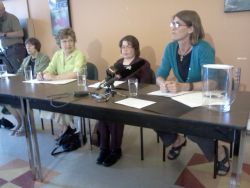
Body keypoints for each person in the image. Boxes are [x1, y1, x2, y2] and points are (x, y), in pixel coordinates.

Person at [156, 10, 230, 175]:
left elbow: (212, 82)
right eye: (172, 24)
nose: (172, 28)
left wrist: (185, 87)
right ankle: (176, 140)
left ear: (190, 29)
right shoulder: (170, 48)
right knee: (153, 115)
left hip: (201, 97)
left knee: (192, 127)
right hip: (180, 96)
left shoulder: (202, 48)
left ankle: (220, 151)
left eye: (177, 24)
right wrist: (162, 83)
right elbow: (160, 73)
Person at [96, 35, 153, 167]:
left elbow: (146, 85)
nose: (125, 49)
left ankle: (115, 150)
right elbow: (108, 80)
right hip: (115, 96)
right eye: (123, 47)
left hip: (133, 98)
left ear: (135, 48)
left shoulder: (143, 64)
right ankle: (104, 149)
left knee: (114, 115)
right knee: (102, 113)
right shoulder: (118, 63)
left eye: (129, 46)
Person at [37, 27, 86, 135]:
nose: (68, 44)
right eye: (64, 41)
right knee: (49, 101)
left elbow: (76, 74)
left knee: (58, 103)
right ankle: (66, 127)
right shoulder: (57, 54)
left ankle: (66, 129)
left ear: (74, 41)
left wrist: (54, 78)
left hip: (75, 89)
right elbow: (50, 69)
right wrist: (42, 74)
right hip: (60, 88)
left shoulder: (79, 54)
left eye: (71, 41)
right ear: (59, 43)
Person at [4, 37, 50, 136]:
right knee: (8, 98)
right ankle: (20, 122)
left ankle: (26, 125)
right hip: (27, 85)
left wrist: (24, 77)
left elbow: (39, 73)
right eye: (26, 46)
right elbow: (19, 72)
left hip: (40, 87)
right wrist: (15, 77)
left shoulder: (44, 57)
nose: (28, 48)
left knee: (20, 98)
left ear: (36, 46)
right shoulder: (26, 59)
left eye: (30, 45)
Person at [0, 1, 27, 73]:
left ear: (3, 9)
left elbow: (20, 33)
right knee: (10, 76)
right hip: (5, 51)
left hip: (15, 49)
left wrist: (4, 34)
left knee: (19, 74)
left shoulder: (11, 18)